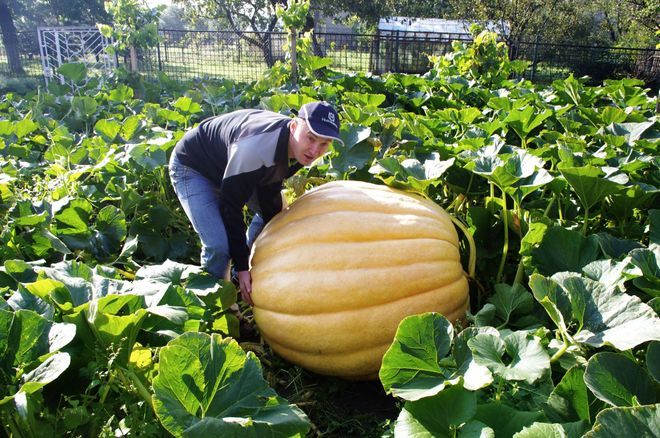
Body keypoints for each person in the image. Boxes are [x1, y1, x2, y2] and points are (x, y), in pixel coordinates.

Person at [168, 101, 342, 305]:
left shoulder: (296, 149)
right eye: (310, 138)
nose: (314, 150)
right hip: (195, 167)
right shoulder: (256, 148)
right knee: (218, 245)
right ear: (294, 126)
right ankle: (216, 307)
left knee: (278, 214)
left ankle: (242, 274)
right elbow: (230, 206)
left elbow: (270, 189)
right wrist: (242, 266)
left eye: (324, 144)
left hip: (235, 168)